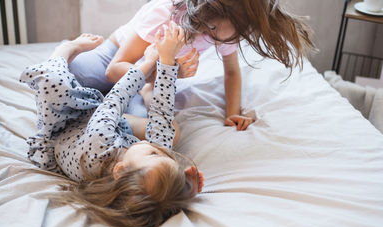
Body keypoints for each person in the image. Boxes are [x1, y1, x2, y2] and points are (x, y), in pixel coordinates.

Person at [20, 24, 204, 227]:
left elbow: (115, 99)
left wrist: (151, 62)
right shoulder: (144, 164)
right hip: (111, 126)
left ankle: (67, 48)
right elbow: (162, 114)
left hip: (66, 124)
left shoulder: (99, 146)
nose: (160, 150)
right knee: (169, 130)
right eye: (168, 158)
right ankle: (145, 93)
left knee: (53, 84)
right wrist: (181, 187)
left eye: (154, 153)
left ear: (120, 169)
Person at [68, 0, 315, 131]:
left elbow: (231, 71)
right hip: (117, 59)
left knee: (147, 130)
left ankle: (137, 94)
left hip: (149, 76)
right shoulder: (165, 13)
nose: (227, 41)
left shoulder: (228, 30)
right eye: (217, 34)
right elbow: (114, 70)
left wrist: (232, 113)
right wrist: (168, 71)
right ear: (209, 16)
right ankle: (72, 51)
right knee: (76, 77)